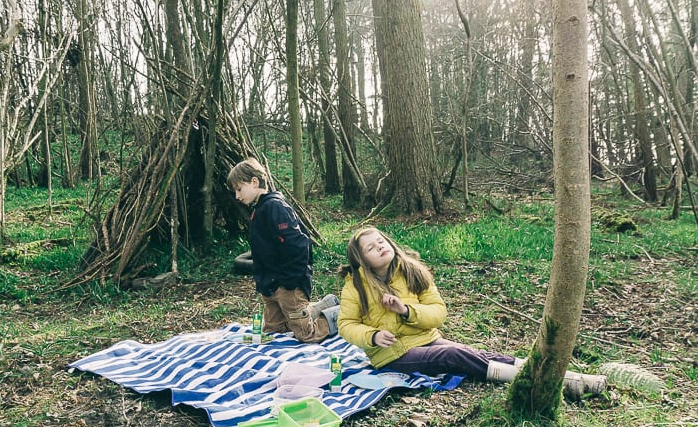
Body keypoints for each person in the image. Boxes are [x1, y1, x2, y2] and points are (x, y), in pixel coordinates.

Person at [336, 226, 605, 394]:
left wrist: (406, 310)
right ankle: (540, 382)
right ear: (362, 260)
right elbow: (346, 325)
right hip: (392, 355)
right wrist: (372, 337)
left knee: (474, 354)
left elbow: (438, 312)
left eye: (381, 241)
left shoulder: (413, 271)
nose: (380, 247)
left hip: (427, 339)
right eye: (371, 248)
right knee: (452, 354)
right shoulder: (356, 286)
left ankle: (559, 375)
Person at [227, 158, 339, 343]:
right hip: (270, 285)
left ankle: (340, 315)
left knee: (305, 334)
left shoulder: (275, 207)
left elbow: (298, 245)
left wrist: (290, 280)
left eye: (239, 189)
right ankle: (321, 306)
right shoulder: (260, 209)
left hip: (288, 284)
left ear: (254, 182)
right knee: (274, 331)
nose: (237, 196)